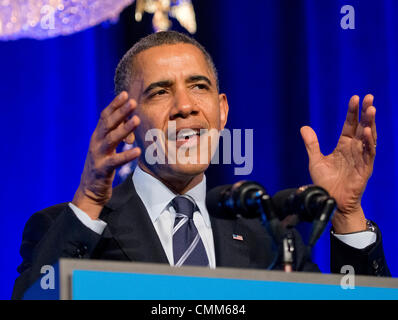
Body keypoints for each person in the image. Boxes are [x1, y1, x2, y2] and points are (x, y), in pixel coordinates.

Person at [12, 31, 389, 299]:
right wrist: (91, 197)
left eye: (199, 87)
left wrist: (347, 214)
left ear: (221, 112)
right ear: (125, 124)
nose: (185, 106)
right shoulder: (67, 227)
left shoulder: (270, 235)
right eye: (160, 91)